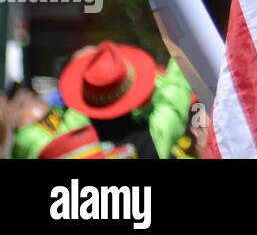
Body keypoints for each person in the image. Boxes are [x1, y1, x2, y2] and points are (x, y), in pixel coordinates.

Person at [12, 42, 193, 159]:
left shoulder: (68, 147)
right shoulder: (154, 136)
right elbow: (174, 94)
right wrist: (181, 42)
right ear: (133, 87)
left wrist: (87, 87)